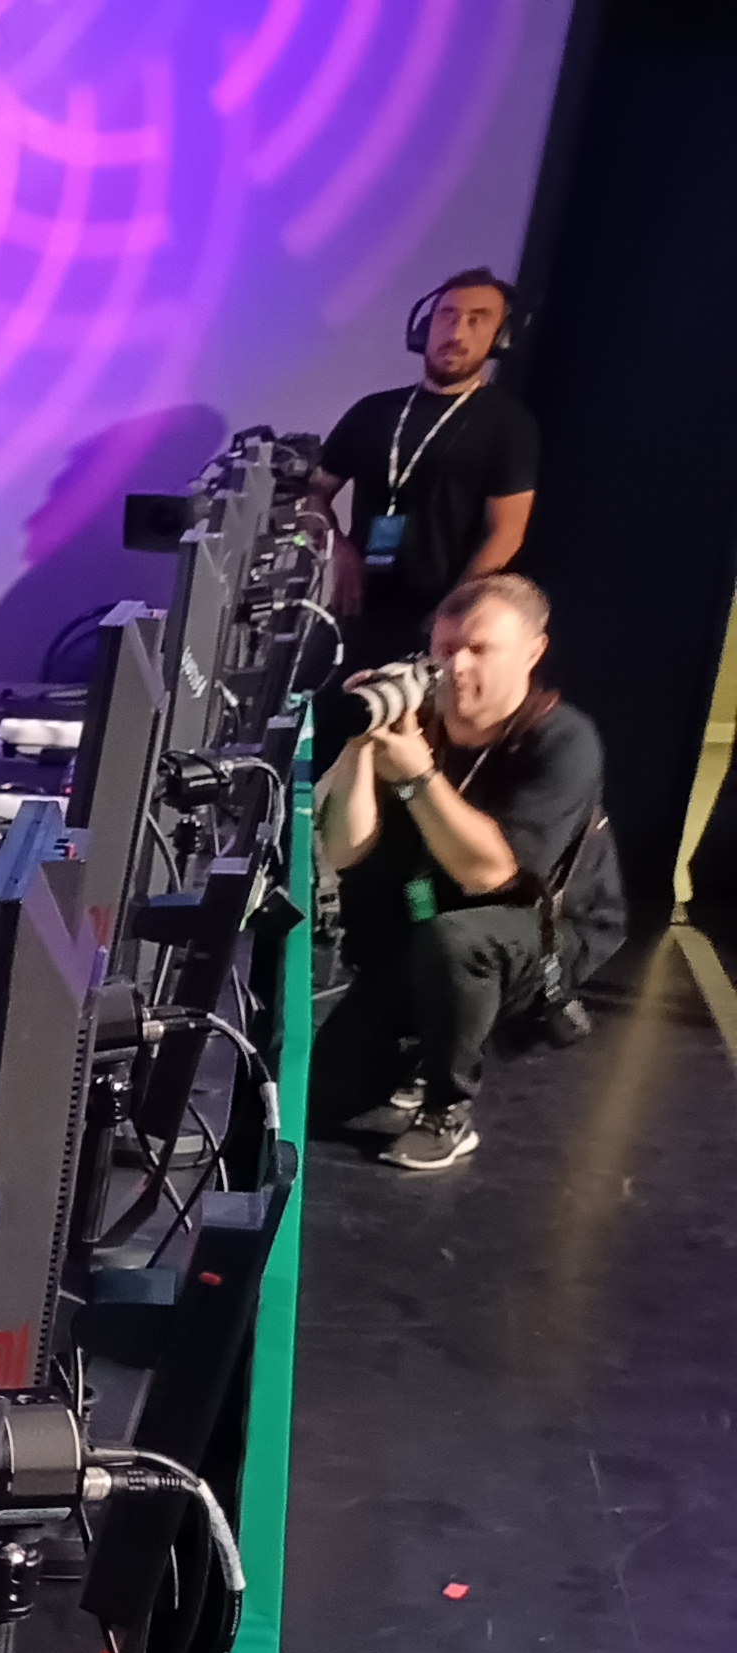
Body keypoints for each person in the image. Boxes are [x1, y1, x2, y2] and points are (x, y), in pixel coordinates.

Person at [318, 575, 624, 1172]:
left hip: (539, 932)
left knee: (458, 939)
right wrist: (362, 745)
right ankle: (416, 1048)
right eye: (445, 648)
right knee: (331, 1089)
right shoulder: (420, 722)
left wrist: (416, 776)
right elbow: (344, 850)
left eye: (480, 649)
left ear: (532, 651)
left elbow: (493, 876)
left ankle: (448, 1109)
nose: (456, 667)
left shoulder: (563, 739)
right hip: (429, 910)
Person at [312, 269, 538, 678]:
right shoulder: (373, 411)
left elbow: (507, 533)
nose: (457, 331)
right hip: (356, 612)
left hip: (438, 626)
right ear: (425, 327)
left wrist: (452, 611)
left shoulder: (509, 425)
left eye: (477, 319)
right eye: (447, 315)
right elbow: (314, 495)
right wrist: (340, 549)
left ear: (500, 337)